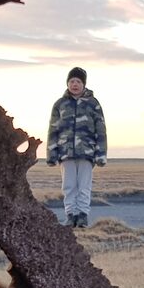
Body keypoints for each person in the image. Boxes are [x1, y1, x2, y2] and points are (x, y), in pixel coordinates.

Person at [46, 67, 107, 227]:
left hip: (87, 152)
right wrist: (52, 154)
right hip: (65, 152)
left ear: (83, 84)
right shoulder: (60, 104)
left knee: (84, 186)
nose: (75, 84)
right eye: (72, 81)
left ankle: (82, 216)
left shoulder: (93, 104)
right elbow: (53, 129)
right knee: (69, 186)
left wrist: (101, 154)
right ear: (67, 83)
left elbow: (101, 129)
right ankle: (70, 215)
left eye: (78, 81)